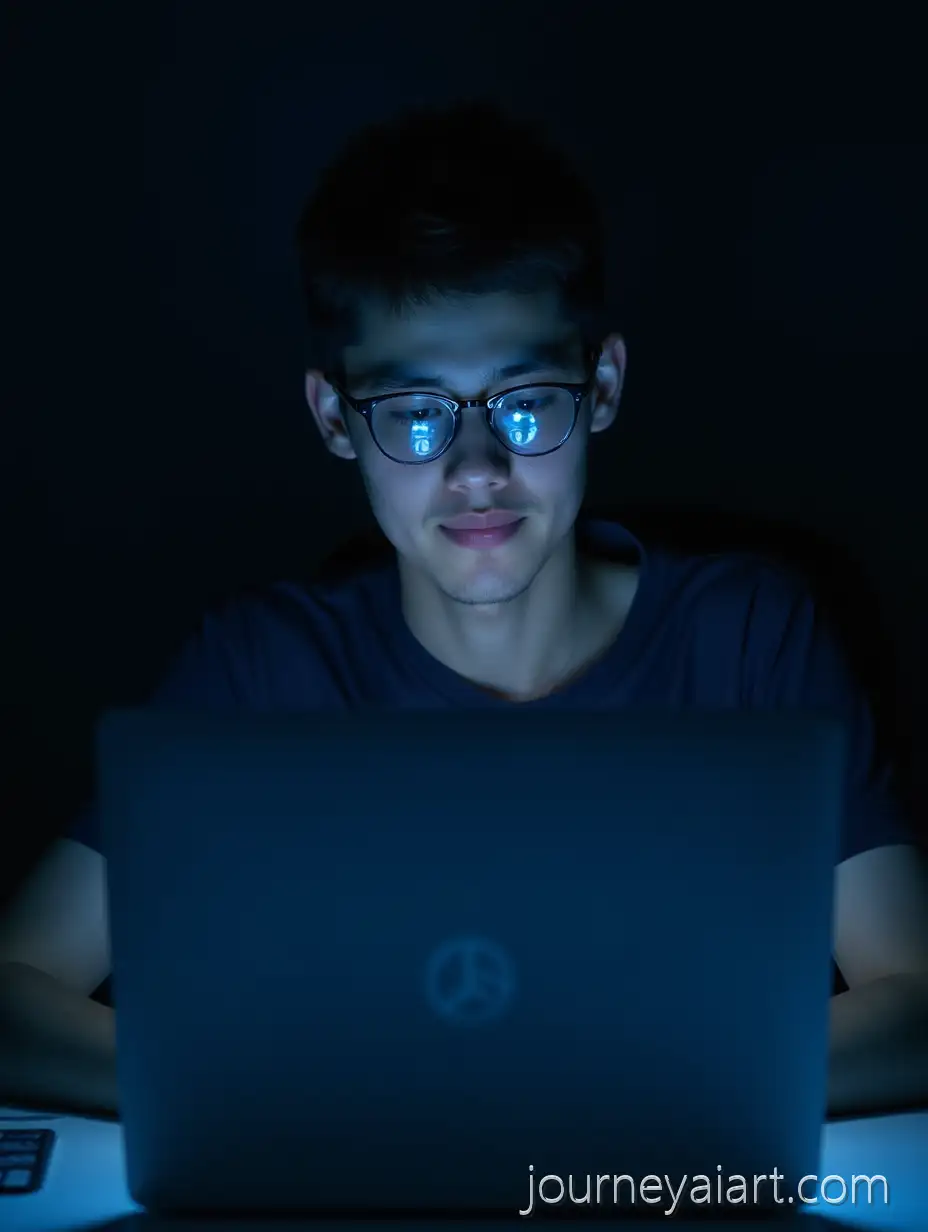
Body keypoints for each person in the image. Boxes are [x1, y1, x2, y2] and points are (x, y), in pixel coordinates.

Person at [2, 102, 927, 1119]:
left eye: (524, 403)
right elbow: (16, 992)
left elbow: (916, 999)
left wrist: (562, 1105)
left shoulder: (752, 638)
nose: (476, 472)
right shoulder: (258, 670)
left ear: (603, 385)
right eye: (413, 415)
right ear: (332, 416)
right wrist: (294, 1099)